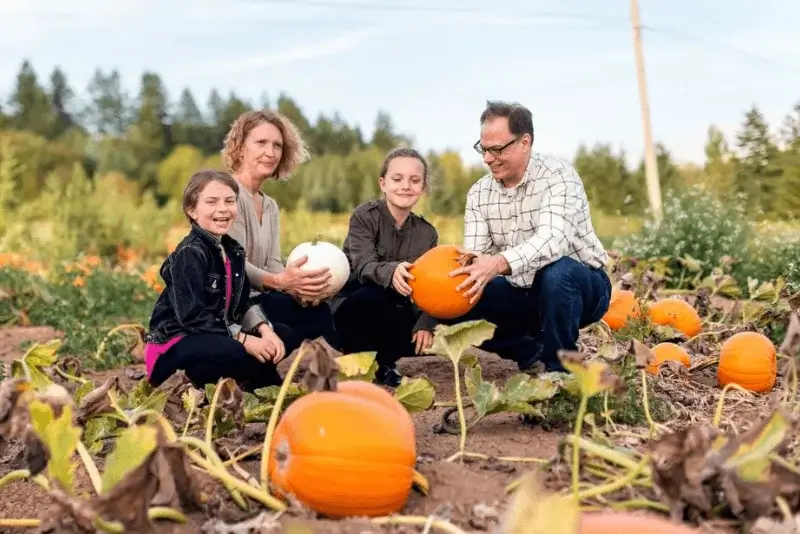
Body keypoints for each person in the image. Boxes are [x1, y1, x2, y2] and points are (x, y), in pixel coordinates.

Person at [447, 100, 612, 373]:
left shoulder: (558, 176)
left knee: (558, 273)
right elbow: (474, 256)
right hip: (520, 292)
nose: (488, 158)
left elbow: (553, 240)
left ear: (525, 142)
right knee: (458, 295)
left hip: (581, 288)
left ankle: (560, 372)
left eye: (497, 149)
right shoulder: (479, 193)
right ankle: (529, 350)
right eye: (483, 149)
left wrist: (498, 263)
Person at [144, 169, 287, 392]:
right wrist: (246, 340)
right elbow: (193, 318)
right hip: (174, 346)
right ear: (192, 210)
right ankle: (195, 386)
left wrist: (264, 331)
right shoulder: (190, 253)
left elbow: (244, 302)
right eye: (211, 202)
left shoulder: (233, 251)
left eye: (230, 201)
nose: (222, 209)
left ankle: (261, 387)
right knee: (235, 351)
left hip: (214, 336)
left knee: (279, 335)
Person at [222, 110, 340, 357]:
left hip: (261, 297)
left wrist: (295, 285)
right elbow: (235, 265)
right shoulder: (227, 195)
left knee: (318, 313)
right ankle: (250, 361)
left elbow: (273, 262)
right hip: (235, 304)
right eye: (261, 143)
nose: (271, 152)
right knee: (285, 331)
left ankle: (341, 367)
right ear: (240, 147)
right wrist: (279, 282)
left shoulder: (270, 205)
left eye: (277, 145)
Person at [332, 148, 439, 387]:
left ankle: (385, 364)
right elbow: (363, 266)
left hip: (397, 309)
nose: (406, 186)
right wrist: (393, 271)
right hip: (353, 308)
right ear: (383, 183)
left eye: (414, 180)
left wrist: (426, 323)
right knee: (371, 297)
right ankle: (355, 365)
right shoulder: (364, 217)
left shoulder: (427, 233)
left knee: (425, 318)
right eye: (397, 179)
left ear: (422, 188)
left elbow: (433, 284)